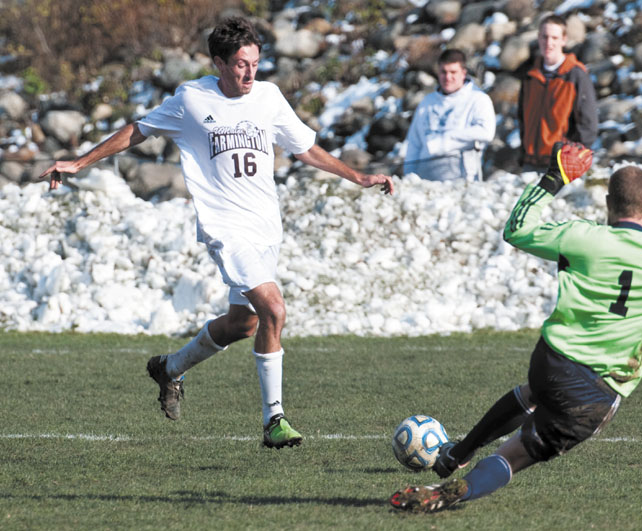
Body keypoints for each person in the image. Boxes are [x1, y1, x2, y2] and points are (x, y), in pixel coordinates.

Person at [39, 16, 394, 449]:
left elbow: (304, 148)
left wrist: (357, 176)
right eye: (241, 64)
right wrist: (78, 162)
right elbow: (138, 130)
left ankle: (169, 368)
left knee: (242, 324)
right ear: (219, 63)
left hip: (266, 226)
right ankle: (273, 421)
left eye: (256, 63)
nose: (250, 73)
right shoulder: (192, 99)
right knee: (275, 311)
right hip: (226, 227)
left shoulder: (268, 97)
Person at [389, 141, 642, 513]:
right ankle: (455, 491)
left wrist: (554, 178)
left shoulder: (581, 237)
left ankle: (457, 454)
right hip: (598, 389)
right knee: (517, 455)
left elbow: (517, 229)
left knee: (536, 391)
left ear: (608, 205)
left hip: (552, 359)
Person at [515, 14, 598, 170]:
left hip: (560, 166)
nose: (549, 43)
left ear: (563, 40)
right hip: (530, 163)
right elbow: (522, 119)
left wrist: (571, 159)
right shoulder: (529, 75)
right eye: (545, 37)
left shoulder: (576, 75)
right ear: (538, 38)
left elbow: (589, 125)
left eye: (554, 37)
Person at [403, 49, 496, 182]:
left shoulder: (479, 99)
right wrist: (409, 176)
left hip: (461, 179)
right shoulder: (427, 102)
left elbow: (486, 132)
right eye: (443, 72)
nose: (448, 77)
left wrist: (446, 140)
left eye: (453, 72)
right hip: (425, 179)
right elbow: (414, 143)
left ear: (463, 73)